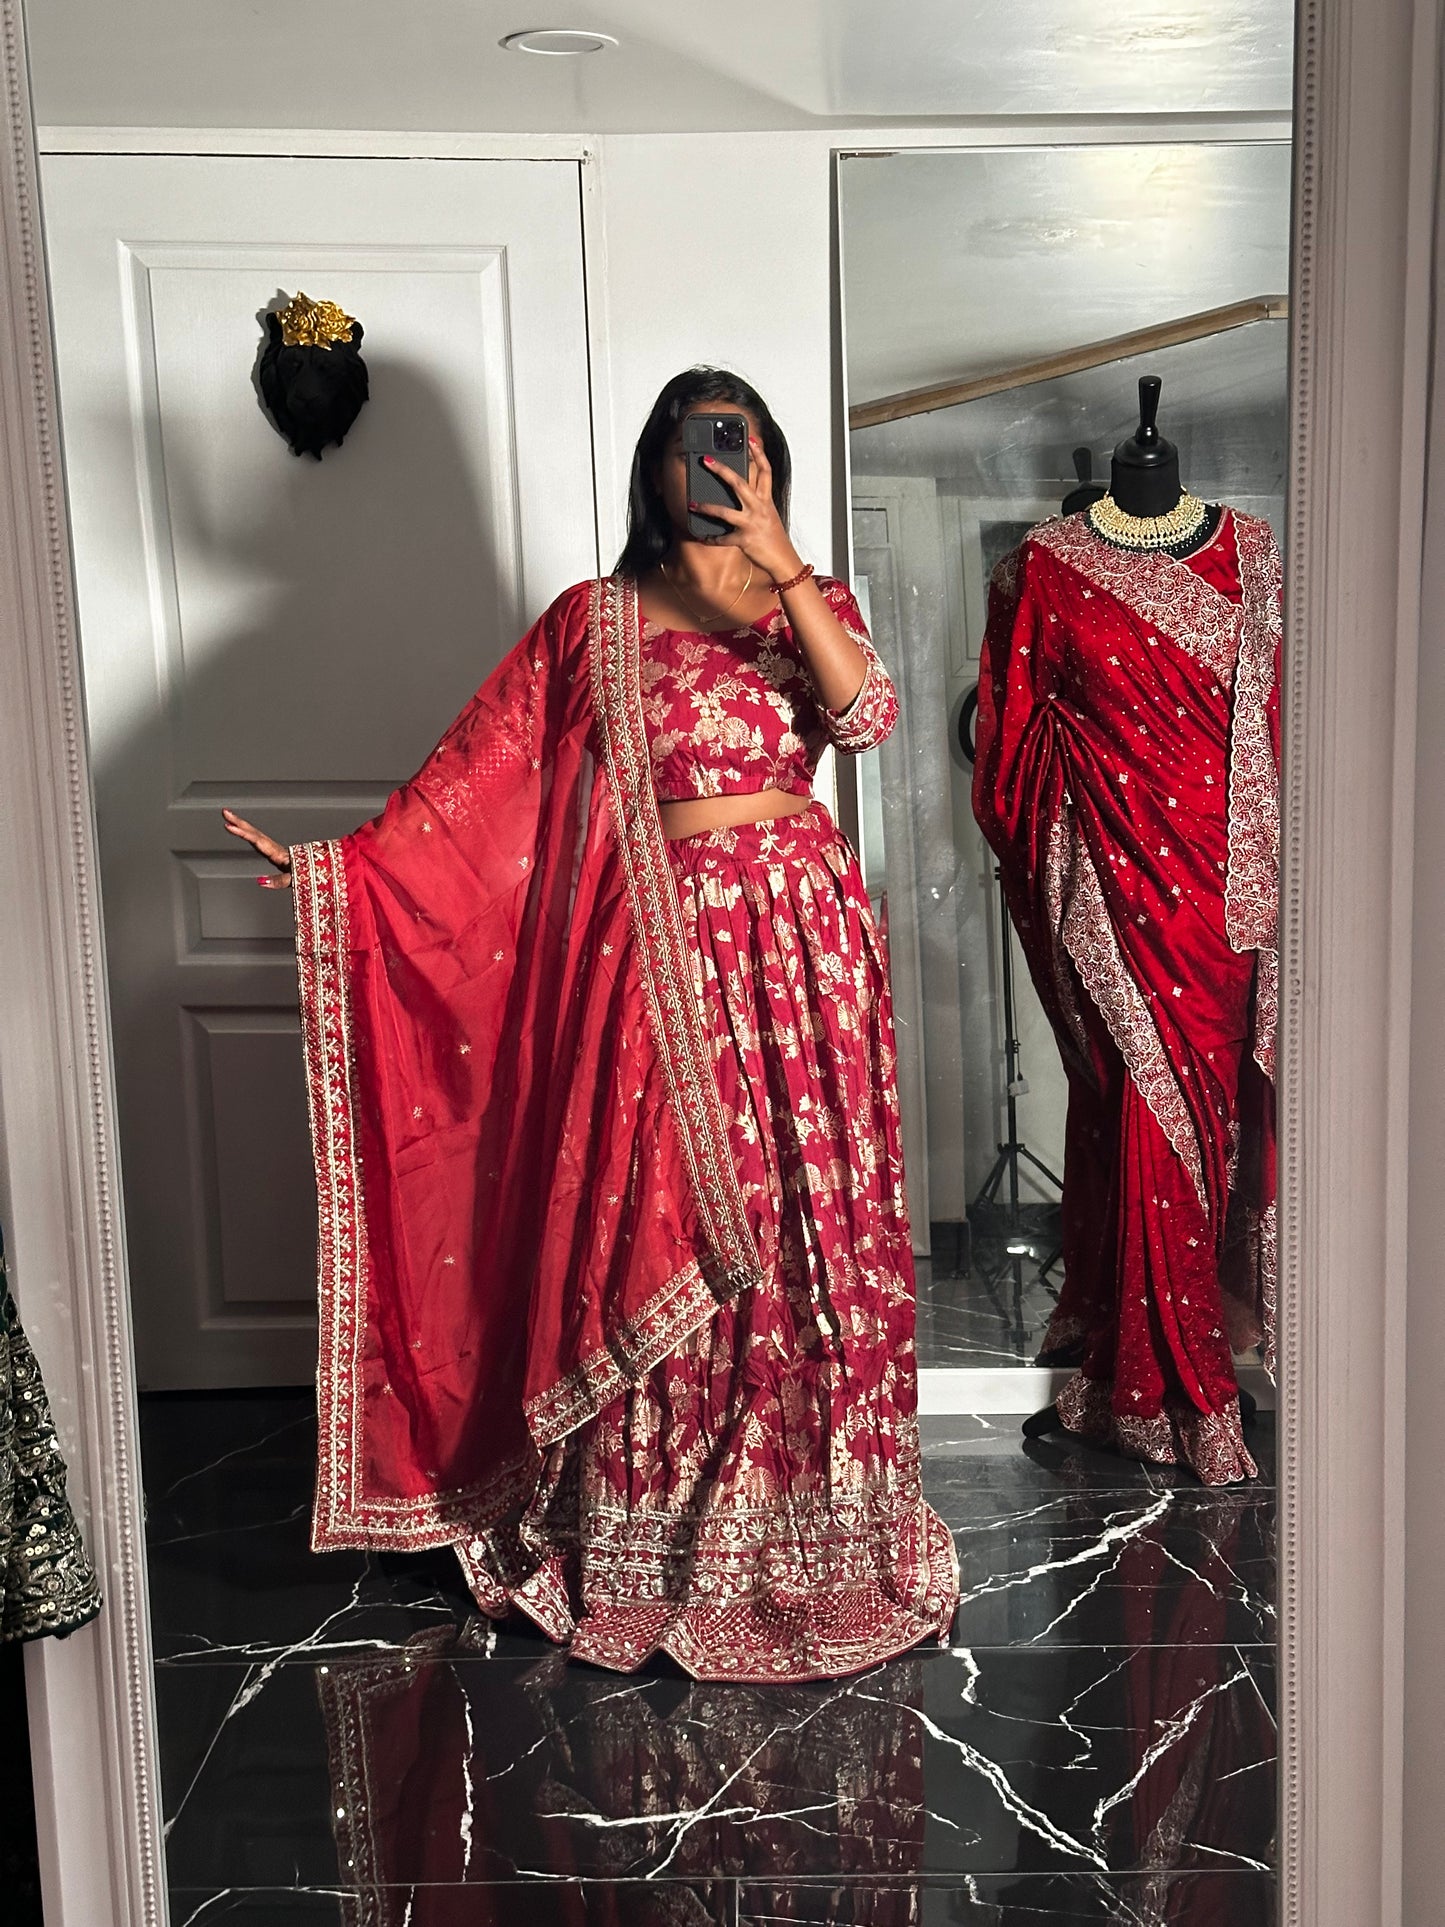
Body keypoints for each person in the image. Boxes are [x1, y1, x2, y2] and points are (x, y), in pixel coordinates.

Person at [223, 366, 959, 1680]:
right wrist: (342, 873)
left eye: (737, 439)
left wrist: (786, 563)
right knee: (673, 1219)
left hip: (808, 955)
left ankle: (819, 1523)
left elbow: (869, 718)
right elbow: (473, 792)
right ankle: (664, 1536)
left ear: (772, 458)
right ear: (653, 464)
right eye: (690, 440)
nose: (715, 461)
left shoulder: (811, 604)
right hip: (667, 965)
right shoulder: (594, 621)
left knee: (807, 1223)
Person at [972, 491, 1279, 1485]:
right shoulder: (1044, 568)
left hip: (1225, 900)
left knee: (1206, 1124)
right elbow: (1009, 745)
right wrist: (1059, 851)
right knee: (1142, 1117)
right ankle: (1168, 1388)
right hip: (1111, 890)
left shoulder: (1257, 556)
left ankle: (1161, 1368)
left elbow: (1280, 727)